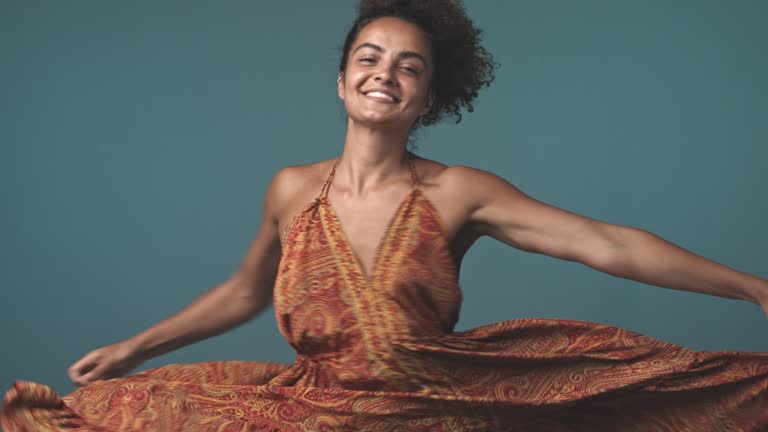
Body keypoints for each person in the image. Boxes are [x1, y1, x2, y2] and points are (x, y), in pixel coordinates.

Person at [3, 0, 767, 430]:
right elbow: (242, 292)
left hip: (431, 401)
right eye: (368, 58)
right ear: (341, 81)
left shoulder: (458, 192)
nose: (385, 73)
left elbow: (610, 245)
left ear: (428, 98)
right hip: (315, 404)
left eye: (409, 66)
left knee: (708, 390)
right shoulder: (291, 189)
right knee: (79, 413)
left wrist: (755, 288)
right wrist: (136, 346)